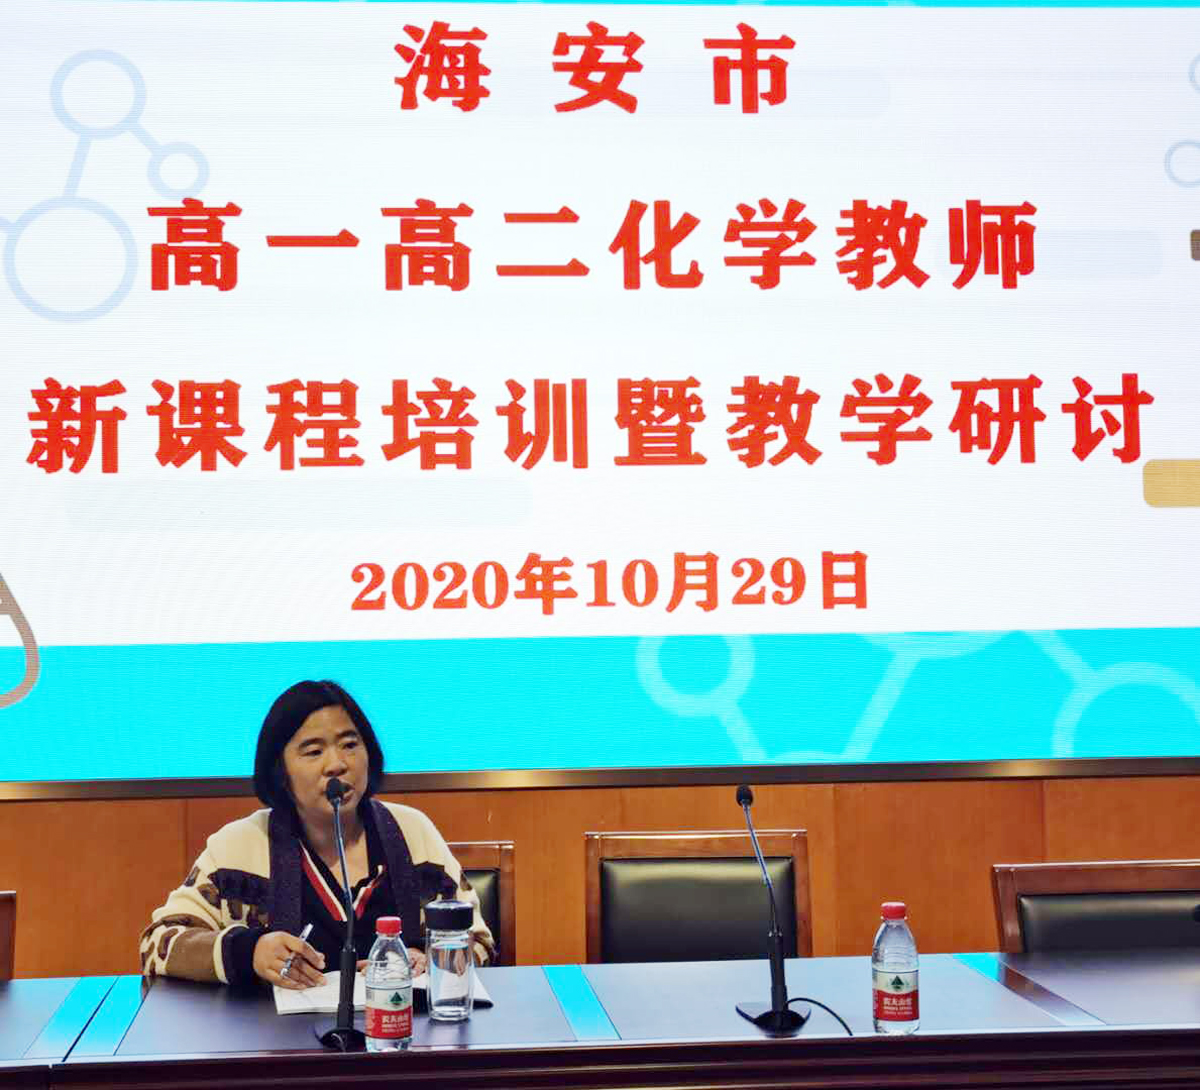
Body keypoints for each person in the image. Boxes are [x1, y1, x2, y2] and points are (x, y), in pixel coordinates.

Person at [140, 680, 493, 988]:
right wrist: (249, 952)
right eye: (313, 751)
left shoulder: (413, 832)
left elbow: (478, 942)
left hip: (398, 1033)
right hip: (274, 1039)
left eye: (350, 745)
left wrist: (428, 962)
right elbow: (158, 945)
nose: (337, 764)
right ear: (280, 772)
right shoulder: (239, 846)